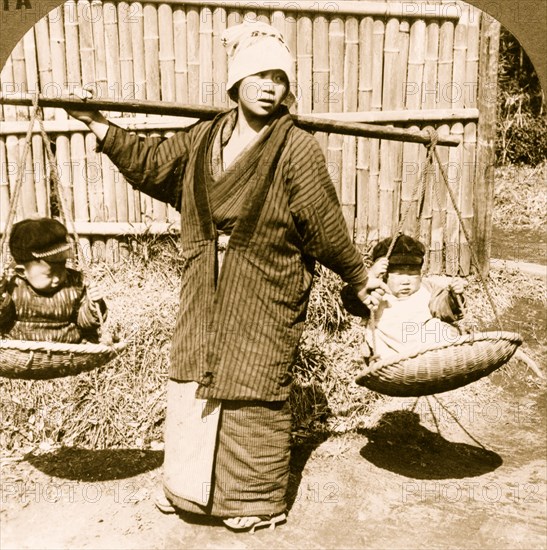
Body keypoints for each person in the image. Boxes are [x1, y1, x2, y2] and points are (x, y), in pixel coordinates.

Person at [64, 21, 386, 532]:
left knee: (253, 378)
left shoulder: (296, 148)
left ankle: (252, 500)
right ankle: (187, 490)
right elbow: (151, 164)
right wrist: (96, 122)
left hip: (265, 282)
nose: (269, 86)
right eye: (258, 75)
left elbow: (323, 222)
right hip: (203, 281)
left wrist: (358, 275)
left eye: (279, 78)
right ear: (236, 82)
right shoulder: (204, 135)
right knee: (194, 371)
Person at [341, 234, 467, 361]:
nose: (406, 281)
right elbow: (354, 302)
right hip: (390, 351)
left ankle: (443, 361)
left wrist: (454, 297)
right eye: (399, 274)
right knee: (376, 338)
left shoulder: (426, 289)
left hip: (424, 349)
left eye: (413, 274)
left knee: (444, 330)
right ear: (384, 275)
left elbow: (442, 307)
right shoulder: (378, 291)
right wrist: (371, 275)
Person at [0, 217, 106, 344]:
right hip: (20, 350)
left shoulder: (74, 283)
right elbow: (3, 320)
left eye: (62, 269)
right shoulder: (13, 285)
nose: (58, 278)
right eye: (49, 274)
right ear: (22, 272)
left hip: (68, 351)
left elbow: (85, 323)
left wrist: (94, 305)